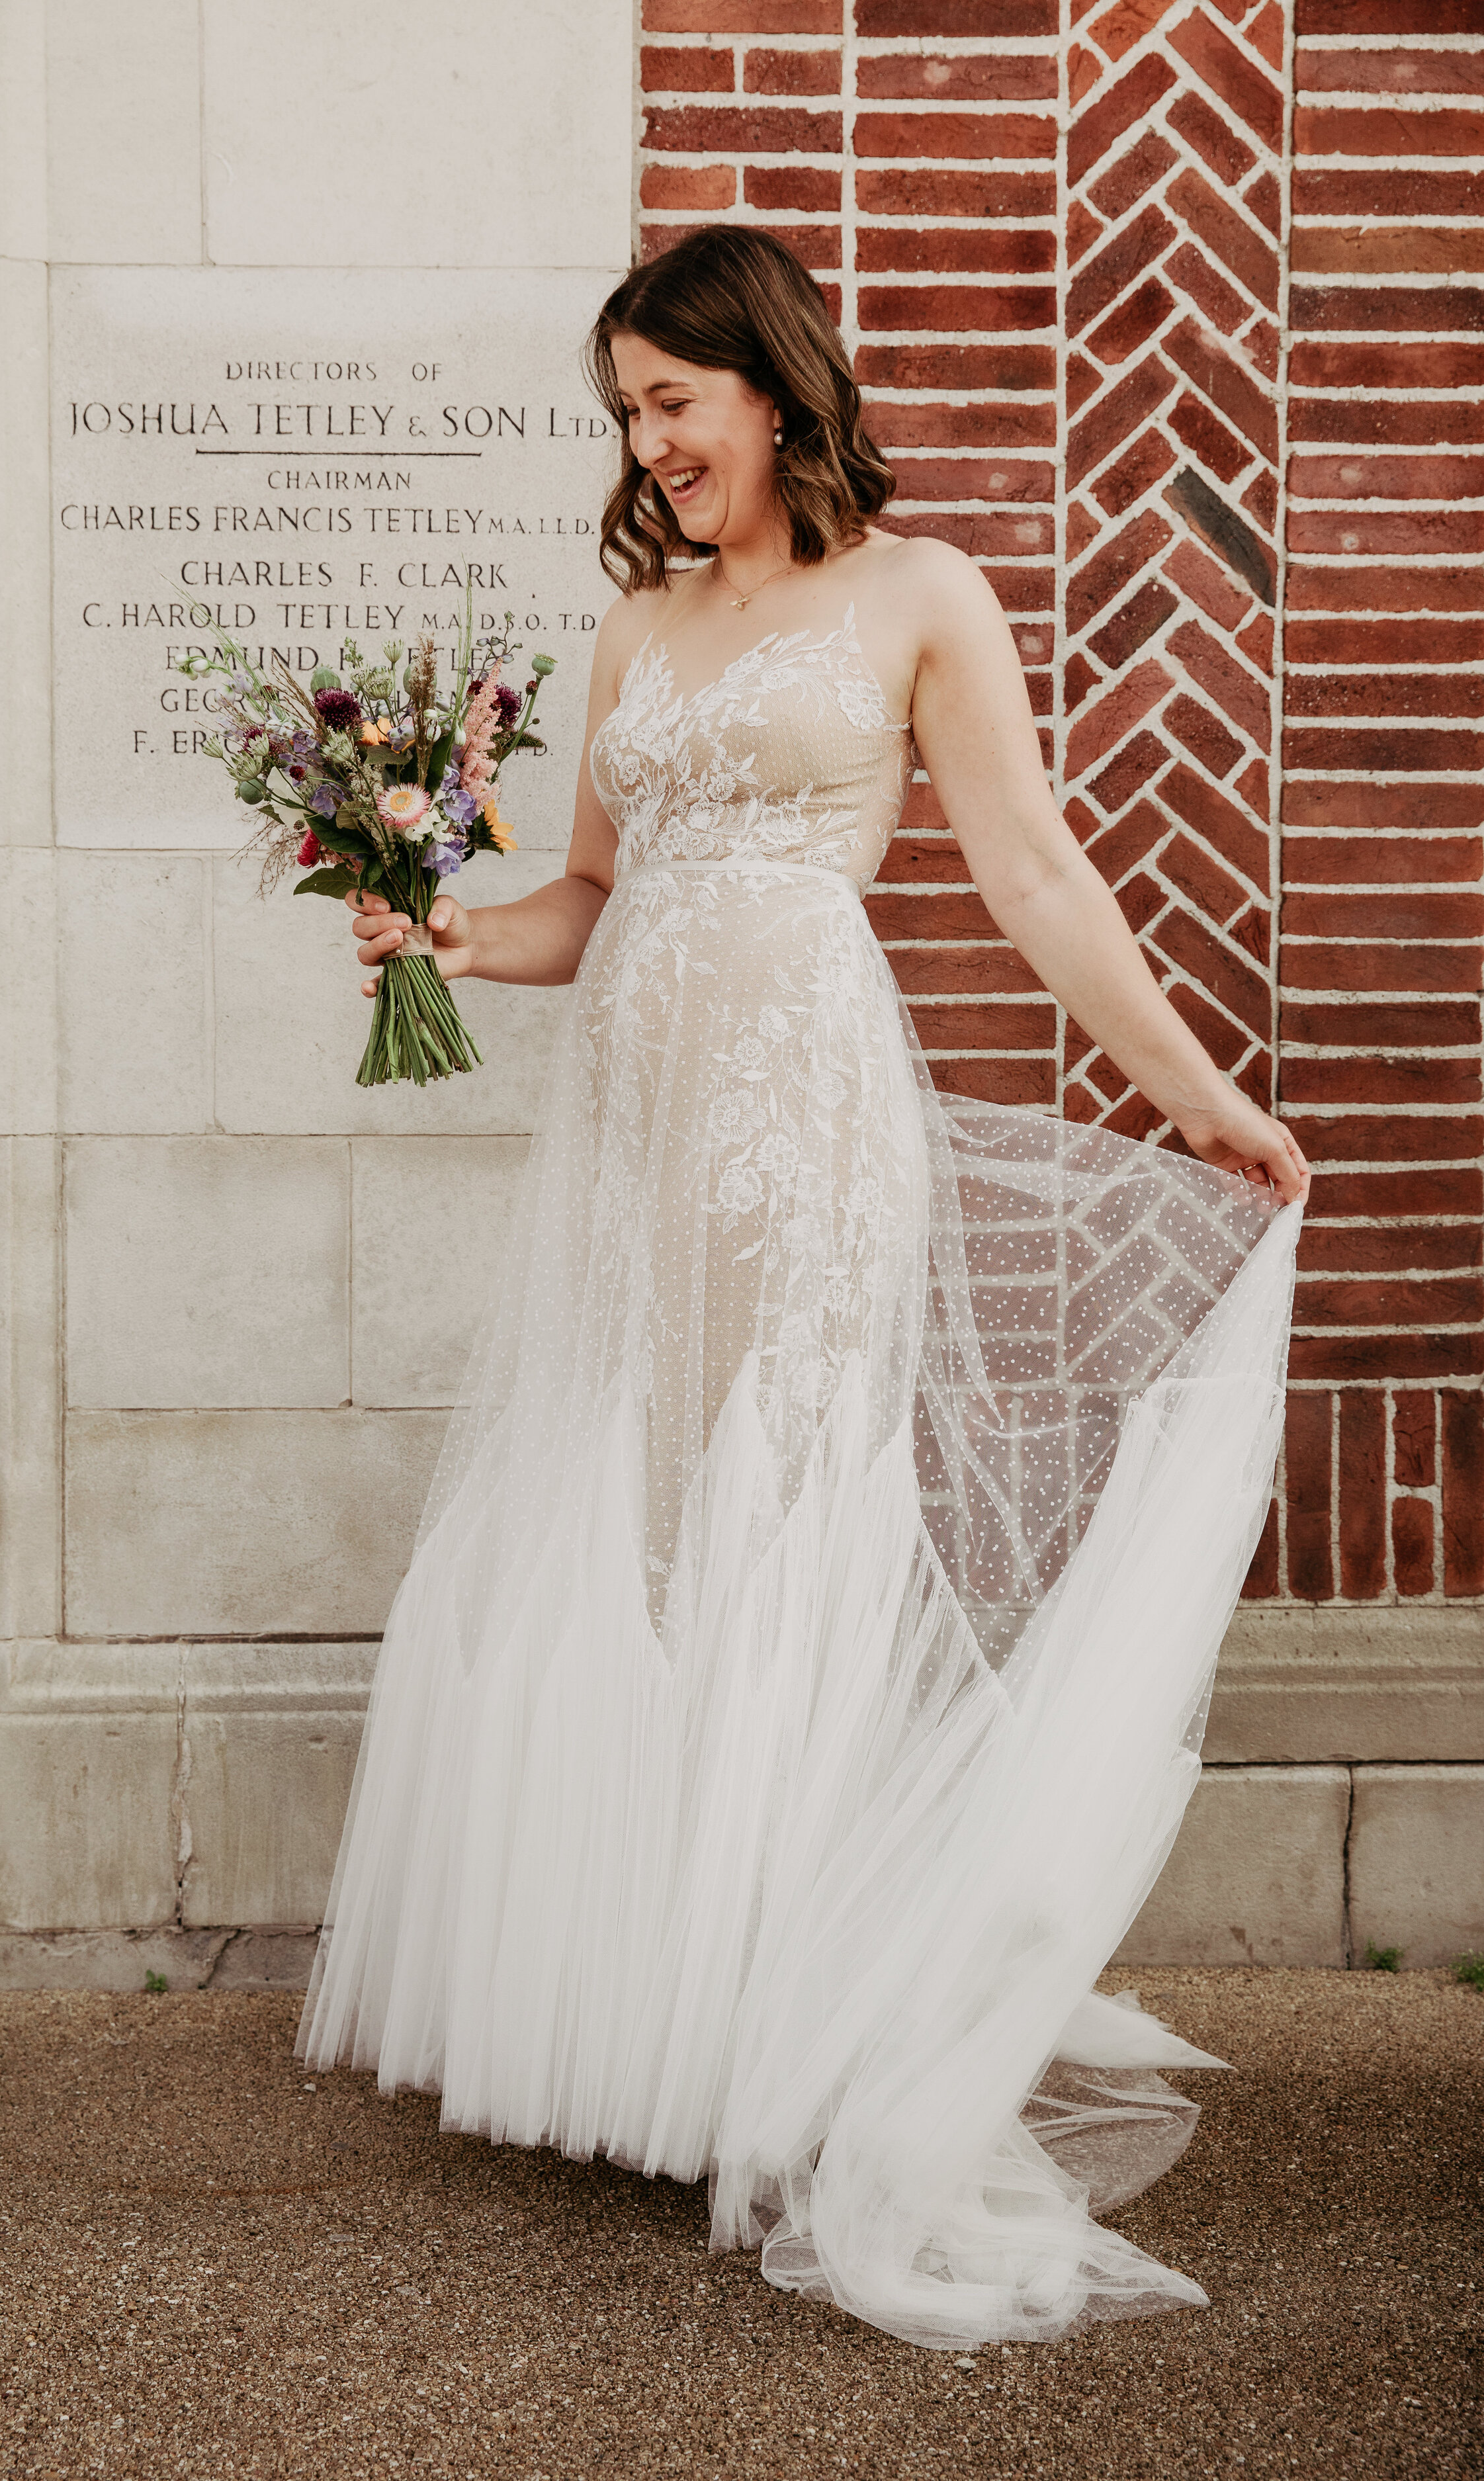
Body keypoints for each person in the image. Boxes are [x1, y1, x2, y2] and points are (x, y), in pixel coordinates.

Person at [298, 225, 1307, 2351]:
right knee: (648, 1523)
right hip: (637, 1136)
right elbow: (593, 889)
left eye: (674, 400)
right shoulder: (635, 626)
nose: (649, 445)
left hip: (803, 1118)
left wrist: (1198, 1093)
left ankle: (790, 2036)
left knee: (781, 1514)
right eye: (627, 415)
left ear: (773, 387)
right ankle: (650, 2025)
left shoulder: (917, 596)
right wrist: (447, 936)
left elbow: (1030, 871)